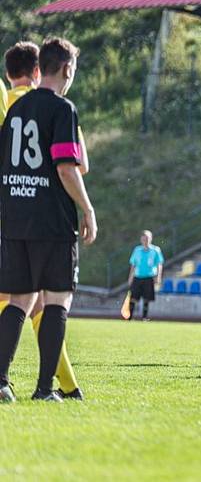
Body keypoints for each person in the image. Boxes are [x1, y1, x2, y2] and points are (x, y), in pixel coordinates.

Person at [0, 37, 97, 403]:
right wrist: (86, 209)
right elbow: (68, 167)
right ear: (67, 69)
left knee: (19, 301)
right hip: (52, 220)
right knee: (56, 302)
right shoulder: (62, 109)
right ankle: (44, 390)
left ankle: (0, 381)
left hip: (15, 219)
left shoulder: (15, 110)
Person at [127, 230, 164, 321]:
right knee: (133, 298)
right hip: (138, 276)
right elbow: (133, 264)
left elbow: (159, 264)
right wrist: (130, 277)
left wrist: (158, 276)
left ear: (151, 239)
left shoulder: (155, 250)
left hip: (149, 277)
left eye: (147, 238)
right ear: (141, 239)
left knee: (146, 298)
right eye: (144, 238)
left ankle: (144, 317)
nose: (145, 240)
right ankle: (130, 317)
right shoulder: (137, 250)